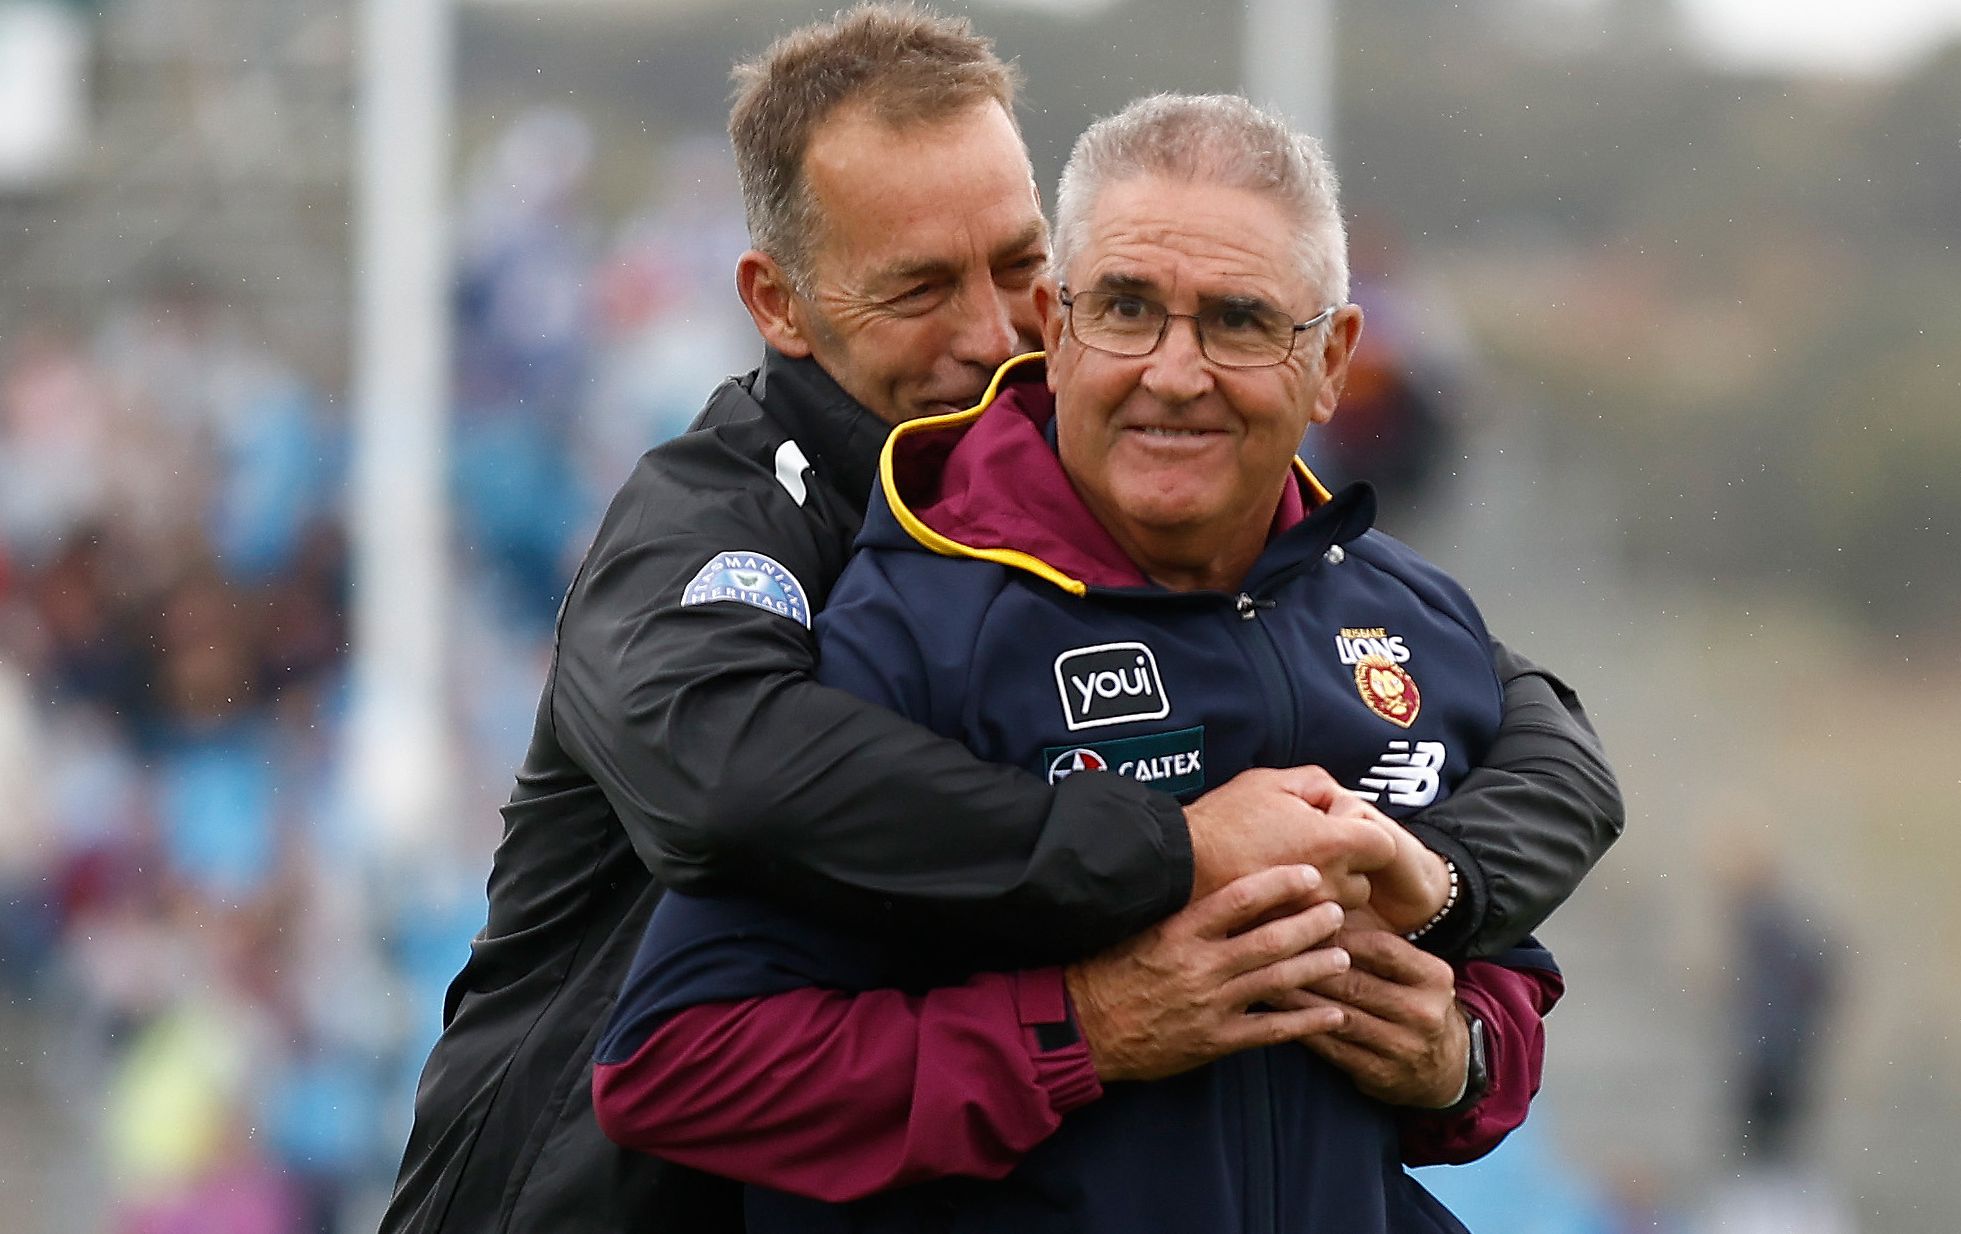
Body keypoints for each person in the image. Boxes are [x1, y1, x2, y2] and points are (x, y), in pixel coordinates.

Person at [379, 8, 1621, 1234]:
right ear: (779, 303)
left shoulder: (1190, 540)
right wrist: (1162, 880)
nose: (990, 334)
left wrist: (1452, 993)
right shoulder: (723, 523)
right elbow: (728, 784)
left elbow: (1535, 739)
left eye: (1019, 266)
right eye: (918, 287)